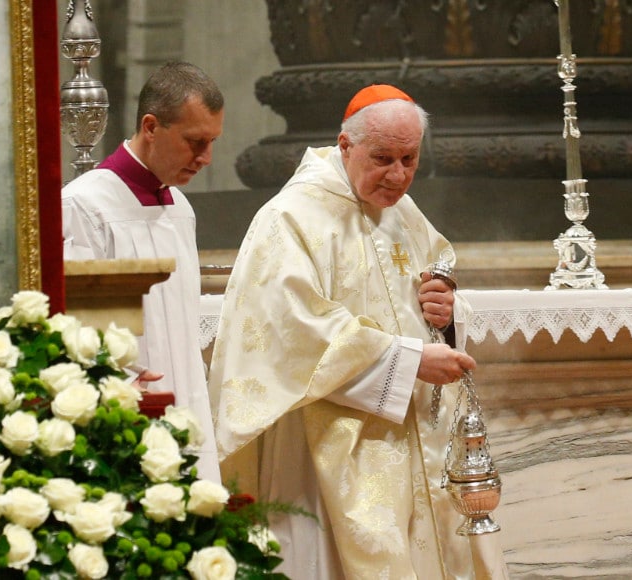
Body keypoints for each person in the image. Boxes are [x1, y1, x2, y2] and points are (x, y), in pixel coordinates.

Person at [208, 85, 498, 578]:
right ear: (345, 146)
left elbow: (439, 280)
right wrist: (409, 362)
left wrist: (448, 312)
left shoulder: (403, 213)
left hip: (414, 438)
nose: (398, 174)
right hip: (330, 441)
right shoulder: (291, 218)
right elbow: (291, 332)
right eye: (383, 158)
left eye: (410, 158)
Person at [61, 61, 224, 483]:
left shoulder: (179, 208)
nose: (206, 158)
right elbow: (81, 333)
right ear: (151, 127)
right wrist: (114, 388)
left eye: (212, 142)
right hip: (127, 413)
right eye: (195, 142)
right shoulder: (87, 205)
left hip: (187, 403)